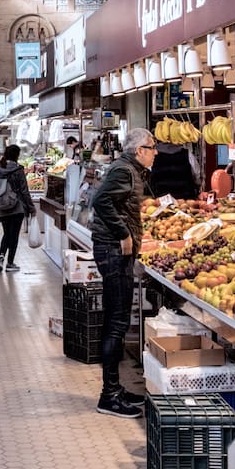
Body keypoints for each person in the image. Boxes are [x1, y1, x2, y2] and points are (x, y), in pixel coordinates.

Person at [87, 134, 155, 418]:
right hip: (114, 251)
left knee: (116, 321)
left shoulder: (131, 170)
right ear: (139, 150)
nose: (155, 153)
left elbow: (119, 204)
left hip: (116, 251)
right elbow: (100, 201)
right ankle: (109, 395)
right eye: (152, 149)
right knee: (116, 323)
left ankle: (115, 388)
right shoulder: (124, 170)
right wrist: (123, 233)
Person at [0, 144, 36, 272]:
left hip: (2, 207)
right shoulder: (18, 170)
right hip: (17, 207)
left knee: (6, 234)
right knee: (14, 235)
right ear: (17, 155)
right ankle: (10, 263)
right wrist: (31, 208)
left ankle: (0, 258)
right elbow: (24, 191)